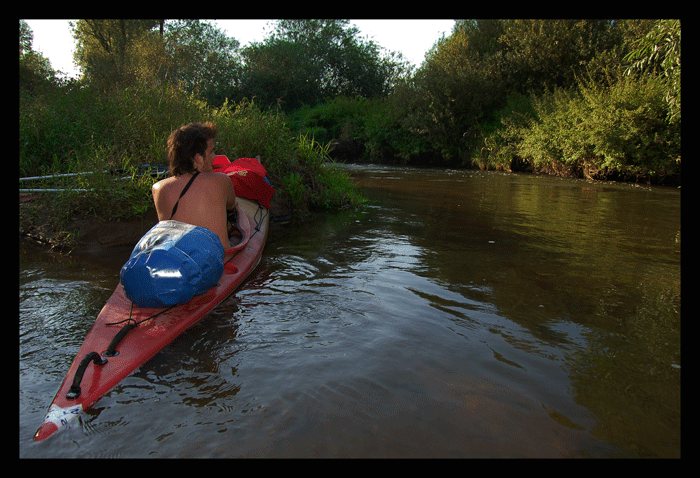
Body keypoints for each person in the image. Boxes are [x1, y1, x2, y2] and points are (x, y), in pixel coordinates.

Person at [151, 122, 237, 249]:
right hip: (219, 260)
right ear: (198, 158)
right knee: (236, 232)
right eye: (211, 152)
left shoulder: (158, 188)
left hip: (182, 263)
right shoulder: (221, 180)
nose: (214, 157)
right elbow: (232, 205)